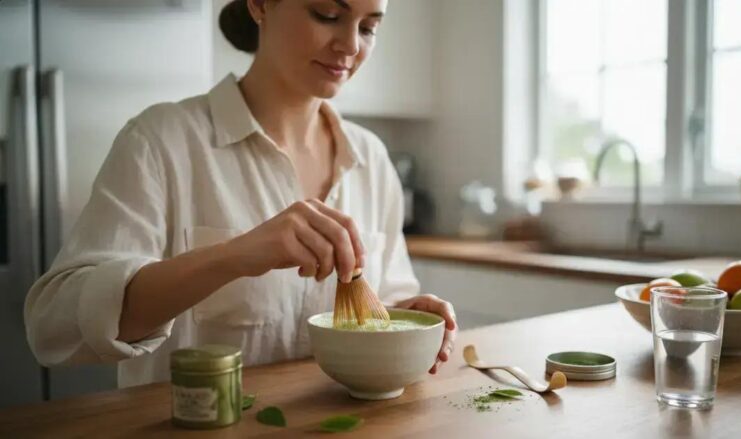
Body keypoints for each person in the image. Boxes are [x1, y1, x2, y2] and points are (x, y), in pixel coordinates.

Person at [24, 0, 457, 388]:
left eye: (368, 28)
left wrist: (407, 315)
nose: (349, 45)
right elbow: (53, 327)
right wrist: (233, 256)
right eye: (327, 15)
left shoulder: (372, 158)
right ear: (260, 5)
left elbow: (389, 294)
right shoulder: (159, 141)